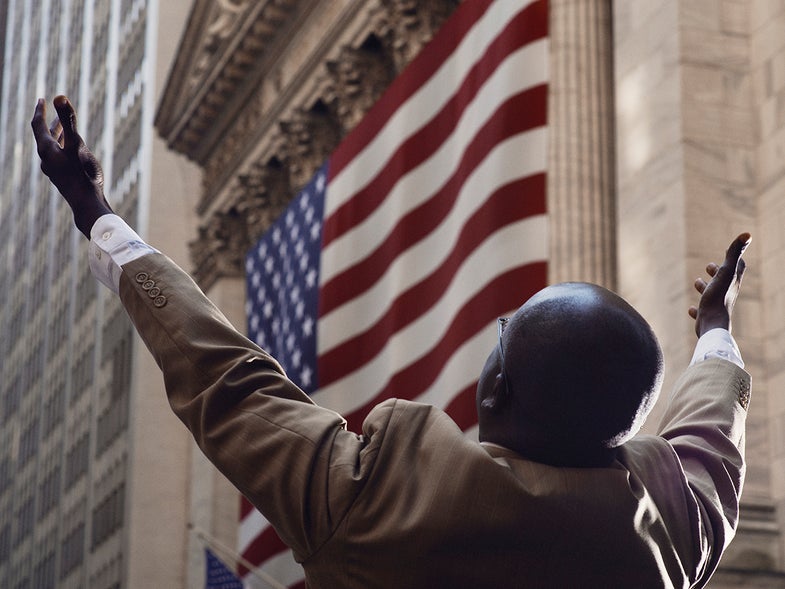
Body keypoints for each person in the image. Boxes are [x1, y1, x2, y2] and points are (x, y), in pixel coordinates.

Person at [32, 96, 752, 588]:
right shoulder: (675, 533)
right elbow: (711, 429)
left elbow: (229, 378)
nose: (495, 333)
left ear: (495, 388)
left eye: (505, 331)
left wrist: (96, 213)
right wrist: (714, 330)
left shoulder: (378, 502)